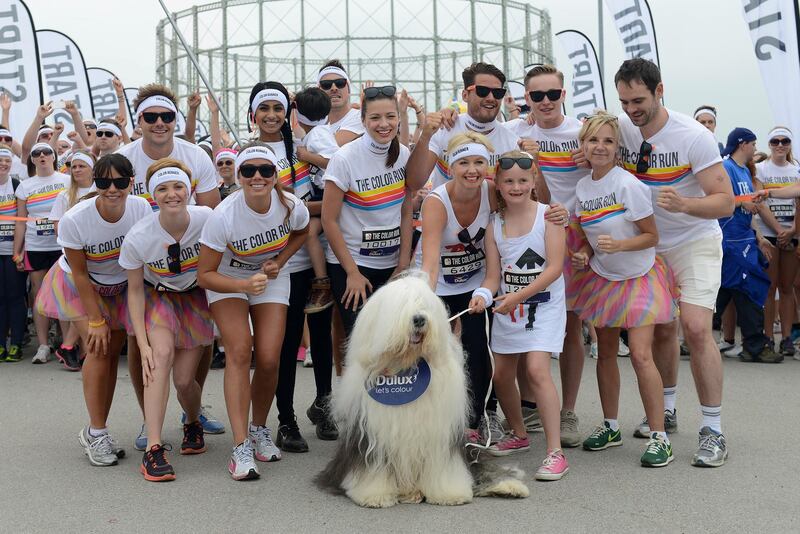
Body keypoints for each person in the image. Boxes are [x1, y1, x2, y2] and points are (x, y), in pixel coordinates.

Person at [610, 59, 734, 467]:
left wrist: (686, 204)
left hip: (694, 240)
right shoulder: (622, 127)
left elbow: (726, 202)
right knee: (663, 331)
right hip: (650, 247)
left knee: (697, 329)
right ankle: (666, 410)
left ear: (659, 90)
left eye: (639, 100)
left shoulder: (693, 135)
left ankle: (713, 430)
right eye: (625, 101)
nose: (632, 110)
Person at [570, 111, 678, 467]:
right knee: (603, 354)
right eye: (593, 140)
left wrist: (620, 247)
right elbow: (589, 238)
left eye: (608, 141)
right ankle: (611, 426)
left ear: (618, 148)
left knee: (640, 355)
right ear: (583, 144)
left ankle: (660, 436)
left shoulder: (629, 185)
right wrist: (586, 254)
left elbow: (651, 236)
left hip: (640, 277)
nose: (600, 147)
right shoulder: (583, 188)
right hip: (603, 279)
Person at [118, 83, 223, 449]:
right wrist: (145, 244)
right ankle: (151, 424)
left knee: (195, 352)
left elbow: (214, 218)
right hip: (144, 265)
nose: (159, 122)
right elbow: (115, 206)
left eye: (167, 116)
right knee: (142, 344)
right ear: (139, 120)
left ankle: (191, 409)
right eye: (151, 116)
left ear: (175, 120)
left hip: (194, 274)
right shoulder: (124, 157)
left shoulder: (195, 156)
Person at [198, 144, 309, 481]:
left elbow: (303, 232)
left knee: (271, 357)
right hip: (227, 278)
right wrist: (243, 286)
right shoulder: (223, 216)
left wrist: (280, 261)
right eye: (248, 171)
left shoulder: (291, 205)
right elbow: (205, 274)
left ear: (276, 176)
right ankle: (240, 445)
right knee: (239, 350)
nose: (257, 177)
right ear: (238, 176)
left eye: (265, 170)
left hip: (269, 277)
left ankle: (259, 428)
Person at [35, 153, 151, 467]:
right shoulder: (76, 218)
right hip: (80, 285)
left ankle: (104, 429)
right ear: (95, 183)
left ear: (131, 182)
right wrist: (97, 319)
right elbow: (81, 274)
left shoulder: (141, 208)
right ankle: (96, 432)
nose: (112, 189)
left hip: (122, 285)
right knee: (99, 349)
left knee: (114, 351)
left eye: (119, 182)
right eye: (103, 182)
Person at [508, 64, 596, 448]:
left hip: (574, 237)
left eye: (552, 94)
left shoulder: (581, 133)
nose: (545, 102)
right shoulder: (515, 132)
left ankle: (569, 410)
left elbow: (614, 158)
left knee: (570, 328)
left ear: (564, 94)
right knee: (527, 326)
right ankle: (531, 406)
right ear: (526, 98)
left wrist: (592, 157)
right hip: (528, 238)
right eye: (536, 95)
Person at [468, 149, 569, 481]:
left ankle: (555, 452)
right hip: (509, 309)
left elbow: (554, 268)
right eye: (508, 181)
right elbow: (493, 277)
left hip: (544, 305)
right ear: (497, 183)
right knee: (501, 377)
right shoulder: (494, 225)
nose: (516, 187)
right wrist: (482, 296)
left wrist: (518, 297)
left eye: (523, 180)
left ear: (534, 179)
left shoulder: (549, 217)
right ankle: (519, 434)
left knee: (538, 370)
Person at [120, 159, 215, 482]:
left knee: (185, 381)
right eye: (163, 188)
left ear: (189, 190)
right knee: (158, 358)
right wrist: (142, 343)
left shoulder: (207, 219)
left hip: (196, 298)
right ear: (152, 195)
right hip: (158, 298)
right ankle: (154, 448)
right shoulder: (139, 236)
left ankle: (192, 420)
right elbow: (134, 291)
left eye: (178, 187)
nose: (171, 194)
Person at [419, 132, 494, 441]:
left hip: (477, 280)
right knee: (436, 350)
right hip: (440, 283)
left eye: (479, 162)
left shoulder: (493, 191)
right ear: (451, 166)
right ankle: (431, 416)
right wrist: (425, 300)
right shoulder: (436, 202)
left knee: (479, 349)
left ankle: (478, 418)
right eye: (464, 162)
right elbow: (431, 260)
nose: (472, 170)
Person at [321, 85, 413, 337]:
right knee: (365, 348)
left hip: (392, 266)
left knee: (396, 343)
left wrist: (403, 264)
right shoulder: (344, 158)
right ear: (363, 121)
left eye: (390, 116)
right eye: (375, 117)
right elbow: (329, 220)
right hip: (353, 267)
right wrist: (351, 273)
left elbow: (406, 212)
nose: (383, 124)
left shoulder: (403, 155)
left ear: (398, 118)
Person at [715, 128, 779, 364]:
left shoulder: (743, 171)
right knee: (745, 287)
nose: (755, 148)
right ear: (742, 144)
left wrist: (759, 236)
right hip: (729, 239)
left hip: (744, 237)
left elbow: (748, 208)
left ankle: (691, 337)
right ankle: (754, 345)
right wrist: (745, 202)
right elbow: (719, 200)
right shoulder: (726, 168)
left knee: (727, 289)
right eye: (753, 143)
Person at [405, 62, 521, 191]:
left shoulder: (512, 141)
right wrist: (425, 136)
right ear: (465, 95)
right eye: (482, 91)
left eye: (498, 93)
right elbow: (414, 183)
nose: (491, 97)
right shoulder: (444, 128)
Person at [13, 139, 70, 364]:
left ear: (54, 157)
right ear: (33, 159)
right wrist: (17, 251)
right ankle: (43, 345)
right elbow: (20, 221)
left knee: (63, 294)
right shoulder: (25, 185)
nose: (43, 156)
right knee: (38, 296)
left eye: (47, 152)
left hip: (62, 245)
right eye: (38, 153)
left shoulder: (67, 180)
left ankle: (67, 342)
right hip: (36, 246)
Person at [753, 127, 799, 357]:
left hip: (793, 232)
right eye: (775, 141)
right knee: (770, 287)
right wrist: (780, 229)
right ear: (769, 144)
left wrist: (792, 230)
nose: (780, 145)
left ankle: (788, 337)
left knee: (787, 287)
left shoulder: (797, 168)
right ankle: (768, 336)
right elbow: (759, 203)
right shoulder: (761, 168)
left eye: (785, 141)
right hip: (769, 232)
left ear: (790, 144)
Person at [49, 150, 97, 371]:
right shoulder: (64, 195)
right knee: (80, 304)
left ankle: (71, 347)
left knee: (92, 305)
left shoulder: (101, 190)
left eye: (81, 166)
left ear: (92, 169)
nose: (76, 170)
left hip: (97, 256)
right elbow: (58, 226)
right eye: (73, 166)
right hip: (72, 257)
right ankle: (77, 348)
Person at [294, 86, 339, 314]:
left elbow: (335, 162)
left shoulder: (318, 135)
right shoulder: (318, 132)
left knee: (309, 232)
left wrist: (307, 156)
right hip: (323, 193)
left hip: (328, 194)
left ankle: (322, 283)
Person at [0, 144, 26, 362]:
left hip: (11, 250)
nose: (3, 164)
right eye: (0, 160)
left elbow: (22, 221)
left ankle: (16, 343)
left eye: (7, 160)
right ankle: (1, 345)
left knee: (15, 296)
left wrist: (19, 251)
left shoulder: (17, 184)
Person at [316, 60, 365, 146]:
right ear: (319, 91)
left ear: (349, 89)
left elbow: (329, 148)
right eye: (326, 85)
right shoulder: (315, 123)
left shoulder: (360, 117)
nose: (334, 88)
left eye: (340, 83)